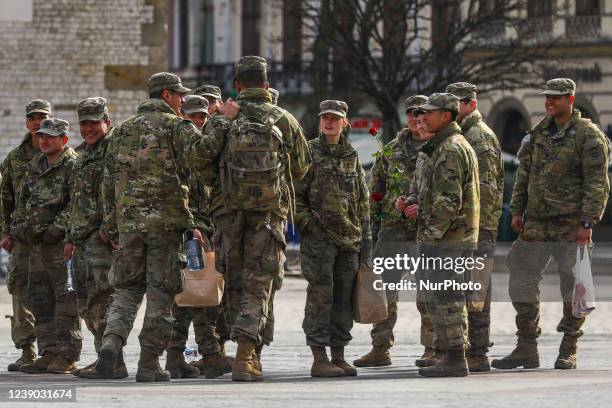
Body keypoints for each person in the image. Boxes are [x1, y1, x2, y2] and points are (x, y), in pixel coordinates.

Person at [95, 72, 229, 382]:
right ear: (167, 95)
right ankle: (149, 363)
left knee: (126, 291)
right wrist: (221, 121)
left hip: (129, 224)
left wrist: (112, 225)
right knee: (161, 294)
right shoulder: (175, 126)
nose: (183, 100)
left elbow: (107, 182)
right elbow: (203, 153)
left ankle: (111, 344)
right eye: (179, 95)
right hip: (166, 225)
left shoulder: (122, 131)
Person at [200, 56, 310, 382]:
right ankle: (246, 355)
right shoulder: (283, 118)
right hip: (269, 217)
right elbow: (302, 167)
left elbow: (203, 165)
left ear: (237, 86)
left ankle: (250, 355)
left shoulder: (224, 119)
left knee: (235, 284)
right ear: (266, 84)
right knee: (260, 286)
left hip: (229, 217)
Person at [492, 78, 610, 371]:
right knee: (520, 275)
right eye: (547, 97)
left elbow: (598, 182)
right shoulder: (537, 133)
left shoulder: (587, 134)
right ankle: (526, 347)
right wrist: (517, 209)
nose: (549, 102)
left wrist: (587, 221)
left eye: (556, 98)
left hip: (571, 223)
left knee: (575, 285)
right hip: (537, 222)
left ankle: (569, 347)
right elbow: (524, 174)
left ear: (570, 99)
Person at [398, 93, 479, 377]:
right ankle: (446, 353)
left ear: (446, 116)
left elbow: (448, 202)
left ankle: (456, 357)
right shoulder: (440, 146)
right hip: (445, 237)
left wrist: (430, 240)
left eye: (431, 113)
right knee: (438, 299)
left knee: (448, 299)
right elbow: (435, 195)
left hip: (449, 240)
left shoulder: (450, 149)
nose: (424, 117)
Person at [296, 100, 371, 378]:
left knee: (343, 300)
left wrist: (366, 245)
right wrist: (308, 224)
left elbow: (362, 203)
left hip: (349, 241)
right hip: (320, 241)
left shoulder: (351, 155)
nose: (329, 122)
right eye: (325, 118)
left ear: (345, 122)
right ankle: (319, 357)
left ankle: (339, 355)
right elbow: (295, 195)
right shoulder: (309, 152)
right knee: (320, 298)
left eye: (334, 118)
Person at [354, 95, 429, 368]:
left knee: (428, 294)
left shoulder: (437, 147)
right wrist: (372, 231)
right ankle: (380, 348)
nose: (416, 118)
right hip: (393, 232)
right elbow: (376, 190)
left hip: (425, 233)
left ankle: (432, 349)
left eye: (421, 113)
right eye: (411, 113)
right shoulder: (391, 149)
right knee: (386, 293)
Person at [15, 118, 81, 374]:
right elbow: (24, 202)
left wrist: (56, 230)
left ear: (63, 140)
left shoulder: (74, 166)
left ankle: (67, 355)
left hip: (60, 246)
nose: (44, 141)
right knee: (40, 300)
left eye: (50, 137)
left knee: (65, 302)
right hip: (36, 246)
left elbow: (76, 204)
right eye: (42, 136)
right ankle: (48, 352)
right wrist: (19, 228)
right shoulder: (35, 166)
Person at [68, 97, 128, 379]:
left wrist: (110, 229)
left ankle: (114, 360)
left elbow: (120, 193)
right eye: (84, 123)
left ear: (107, 122)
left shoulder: (113, 151)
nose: (89, 128)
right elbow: (78, 201)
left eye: (94, 122)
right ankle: (104, 358)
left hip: (102, 241)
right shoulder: (84, 155)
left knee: (104, 299)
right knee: (88, 303)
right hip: (82, 241)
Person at [446, 82, 504, 372]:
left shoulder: (478, 137)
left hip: (479, 228)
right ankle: (469, 349)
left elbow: (486, 189)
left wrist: (475, 228)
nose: (451, 112)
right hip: (471, 228)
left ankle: (479, 352)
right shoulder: (463, 135)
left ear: (470, 104)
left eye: (455, 107)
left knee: (478, 290)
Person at [0, 100, 49, 371]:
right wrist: (4, 232)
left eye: (43, 117)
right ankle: (27, 350)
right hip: (21, 238)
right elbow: (4, 198)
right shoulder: (14, 158)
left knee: (55, 293)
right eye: (33, 118)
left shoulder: (63, 154)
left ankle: (54, 351)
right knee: (19, 290)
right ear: (27, 122)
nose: (38, 122)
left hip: (51, 239)